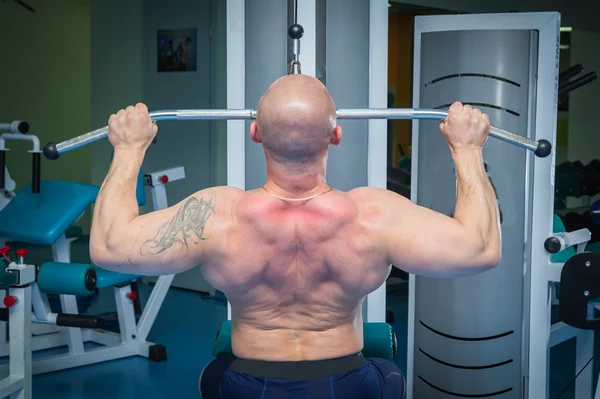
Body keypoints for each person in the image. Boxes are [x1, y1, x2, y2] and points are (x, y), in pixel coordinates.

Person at [90, 74, 501, 398]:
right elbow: (480, 248)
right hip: (346, 384)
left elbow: (110, 246)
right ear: (336, 136)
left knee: (214, 377)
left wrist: (128, 148)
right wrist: (467, 150)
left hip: (248, 385)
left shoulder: (217, 215)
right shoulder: (374, 214)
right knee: (389, 375)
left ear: (255, 133)